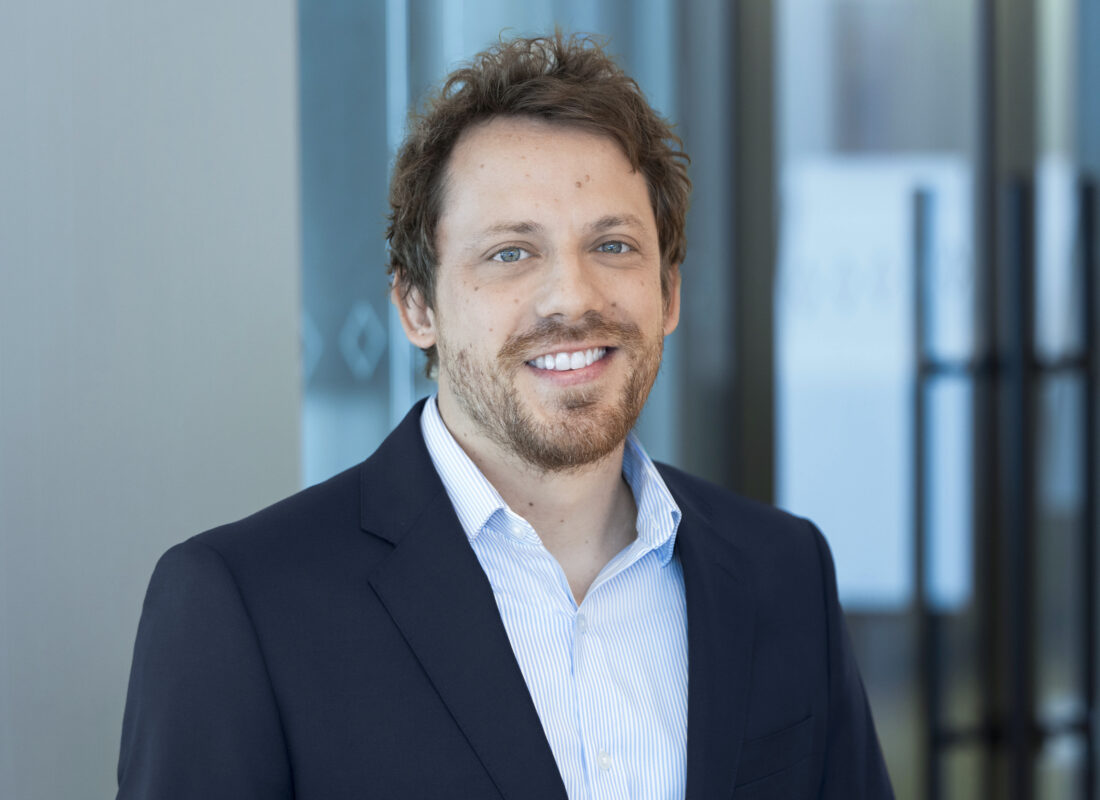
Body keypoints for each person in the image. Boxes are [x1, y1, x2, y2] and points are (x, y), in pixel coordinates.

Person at [117, 32, 894, 800]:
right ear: (416, 306)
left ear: (670, 293)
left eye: (614, 245)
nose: (573, 297)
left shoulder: (783, 573)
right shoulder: (244, 605)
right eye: (511, 253)